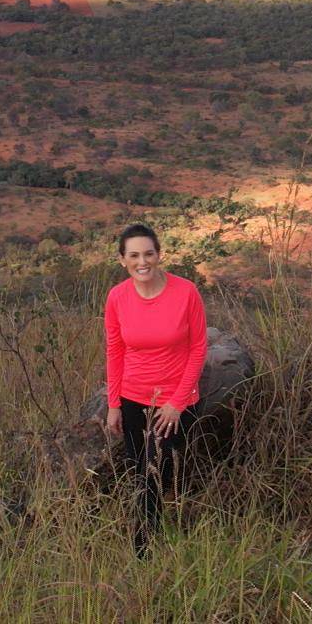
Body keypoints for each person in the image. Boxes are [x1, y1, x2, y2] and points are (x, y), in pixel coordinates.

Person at [102, 222, 206, 556]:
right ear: (122, 260)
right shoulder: (117, 297)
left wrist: (176, 403)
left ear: (159, 255)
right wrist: (114, 403)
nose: (142, 261)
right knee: (143, 475)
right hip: (134, 399)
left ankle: (162, 542)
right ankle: (146, 549)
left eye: (148, 253)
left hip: (177, 402)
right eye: (134, 255)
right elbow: (115, 351)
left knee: (167, 472)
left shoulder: (186, 291)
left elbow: (198, 348)